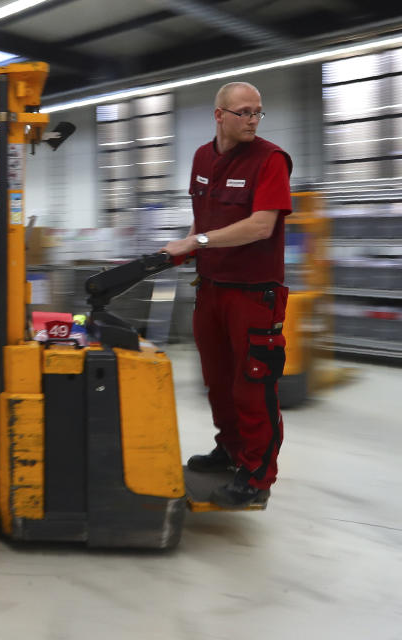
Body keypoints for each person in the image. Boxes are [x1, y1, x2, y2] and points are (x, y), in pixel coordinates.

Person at [163, 81, 292, 509]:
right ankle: (230, 451)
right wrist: (179, 249)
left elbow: (261, 226)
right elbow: (203, 220)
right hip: (211, 290)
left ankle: (257, 475)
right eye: (244, 112)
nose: (253, 119)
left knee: (253, 385)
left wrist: (195, 243)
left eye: (258, 112)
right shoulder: (202, 157)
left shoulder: (270, 159)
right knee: (218, 383)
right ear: (219, 115)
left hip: (254, 295)